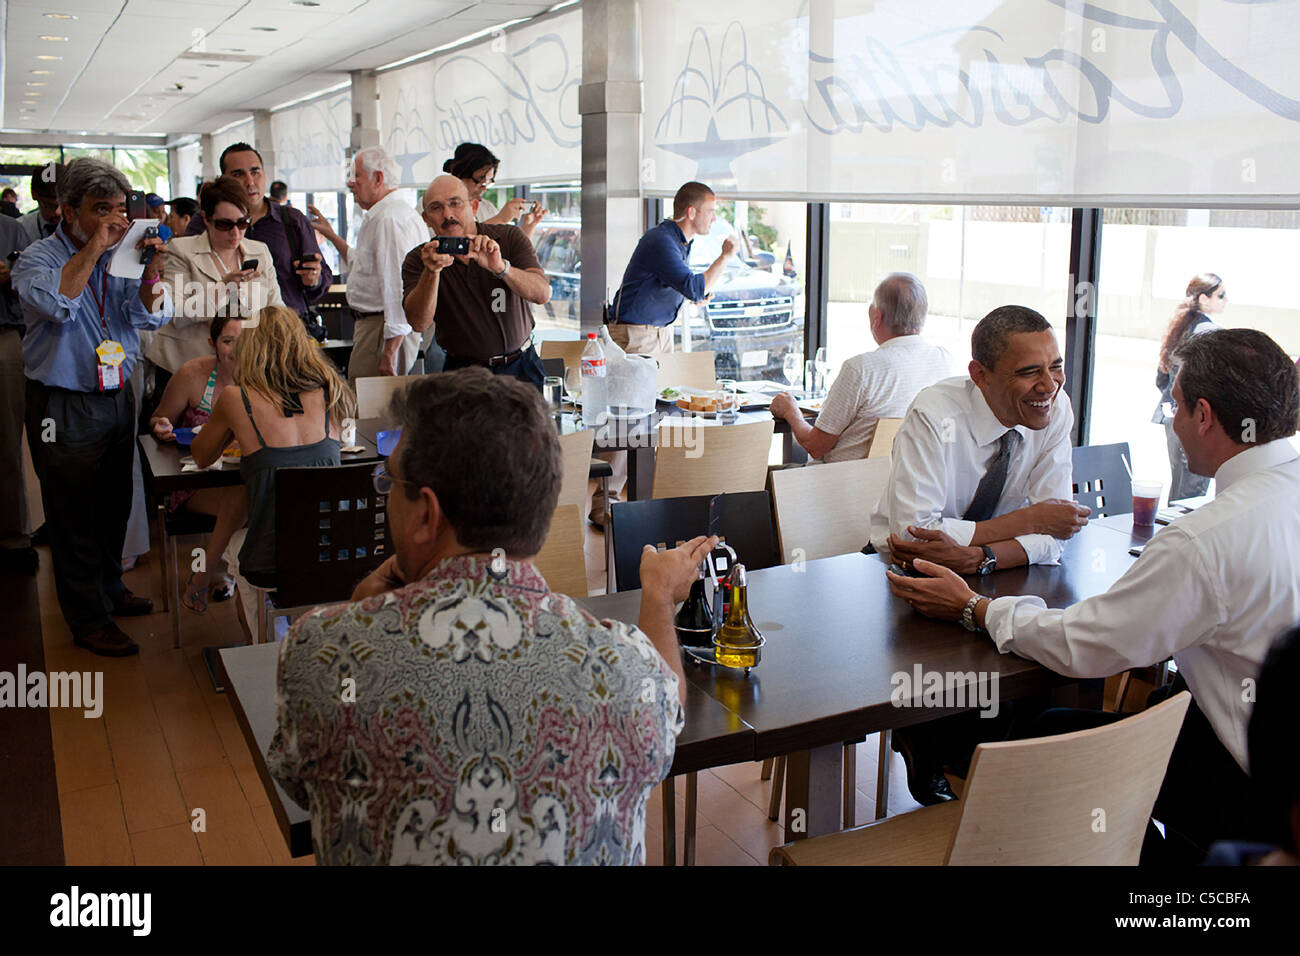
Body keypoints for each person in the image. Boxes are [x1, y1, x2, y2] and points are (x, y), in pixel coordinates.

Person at [887, 328, 1300, 864]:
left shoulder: (1206, 541)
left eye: (1173, 406)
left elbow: (1085, 646)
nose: (1169, 423)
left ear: (1202, 414)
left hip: (1252, 789)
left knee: (1037, 748)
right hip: (1262, 757)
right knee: (1059, 722)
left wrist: (974, 606)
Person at [267, 368, 709, 865]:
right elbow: (668, 713)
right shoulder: (627, 669)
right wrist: (658, 595)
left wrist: (359, 612)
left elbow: (301, 785)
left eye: (388, 481)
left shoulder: (321, 650)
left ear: (426, 514)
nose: (384, 492)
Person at [868, 305, 1091, 805]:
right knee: (954, 685)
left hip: (996, 572)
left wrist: (981, 557)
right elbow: (914, 535)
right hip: (903, 574)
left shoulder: (1056, 409)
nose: (1048, 384)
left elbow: (1057, 535)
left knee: (1033, 672)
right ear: (980, 375)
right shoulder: (935, 413)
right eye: (1029, 371)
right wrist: (1027, 522)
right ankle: (937, 755)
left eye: (1055, 366)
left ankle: (1001, 797)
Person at [12, 157, 173, 657]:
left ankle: (109, 589)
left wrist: (151, 272)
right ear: (67, 211)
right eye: (100, 210)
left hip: (115, 393)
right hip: (62, 401)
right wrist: (99, 246)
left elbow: (143, 318)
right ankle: (86, 619)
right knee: (72, 514)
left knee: (113, 505)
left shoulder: (121, 257)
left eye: (120, 210)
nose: (113, 220)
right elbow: (59, 302)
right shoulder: (36, 258)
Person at [191, 305, 355, 637]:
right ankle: (305, 639)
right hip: (336, 552)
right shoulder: (332, 390)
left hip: (270, 558)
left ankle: (263, 648)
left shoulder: (237, 399)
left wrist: (235, 433)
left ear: (249, 347)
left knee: (237, 546)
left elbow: (202, 456)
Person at [769, 273, 953, 463]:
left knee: (768, 482)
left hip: (840, 487)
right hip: (903, 481)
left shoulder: (861, 369)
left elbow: (816, 446)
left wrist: (790, 410)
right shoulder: (945, 361)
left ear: (877, 317)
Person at [401, 174, 551, 387]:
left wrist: (500, 267)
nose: (448, 214)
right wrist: (432, 272)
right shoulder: (420, 259)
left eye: (455, 203)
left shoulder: (508, 238)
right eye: (436, 208)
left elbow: (542, 294)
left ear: (473, 207)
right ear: (426, 219)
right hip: (462, 374)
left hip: (522, 366)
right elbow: (418, 322)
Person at [148, 314, 249, 612]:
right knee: (245, 497)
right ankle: (207, 574)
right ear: (213, 344)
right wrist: (162, 426)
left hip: (248, 476)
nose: (236, 349)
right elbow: (158, 417)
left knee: (259, 495)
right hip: (198, 479)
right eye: (228, 341)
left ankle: (237, 573)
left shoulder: (263, 374)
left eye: (243, 341)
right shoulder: (193, 374)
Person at [308, 147, 427, 381]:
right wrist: (332, 236)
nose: (351, 183)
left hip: (383, 330)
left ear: (378, 178)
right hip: (379, 329)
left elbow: (397, 287)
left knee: (371, 411)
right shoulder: (386, 214)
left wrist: (390, 352)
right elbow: (362, 265)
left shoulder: (389, 219)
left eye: (357, 175)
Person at [148, 175, 283, 382]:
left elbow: (276, 309)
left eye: (242, 222)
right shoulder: (181, 250)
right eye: (224, 225)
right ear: (205, 219)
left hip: (245, 368)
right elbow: (174, 313)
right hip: (187, 369)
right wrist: (223, 288)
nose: (235, 233)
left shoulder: (259, 251)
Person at [184, 143, 331, 322]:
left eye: (255, 172)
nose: (250, 182)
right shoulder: (204, 222)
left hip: (284, 328)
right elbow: (183, 291)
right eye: (238, 174)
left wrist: (313, 279)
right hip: (219, 331)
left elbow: (321, 280)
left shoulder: (292, 221)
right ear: (224, 180)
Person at [606, 180, 735, 356]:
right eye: (711, 212)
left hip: (659, 332)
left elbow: (677, 283)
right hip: (637, 336)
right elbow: (693, 288)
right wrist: (725, 256)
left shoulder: (679, 240)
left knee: (665, 384)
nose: (714, 219)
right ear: (691, 212)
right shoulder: (661, 240)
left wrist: (697, 293)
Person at [1153, 272, 1225, 501]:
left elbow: (1161, 378)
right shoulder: (1210, 333)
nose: (1226, 300)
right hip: (1196, 420)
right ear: (1204, 299)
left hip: (1172, 416)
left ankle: (1171, 535)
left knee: (1178, 488)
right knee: (1192, 492)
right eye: (1221, 295)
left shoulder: (1180, 328)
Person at [0, 213, 34, 573]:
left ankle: (13, 535)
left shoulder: (12, 229)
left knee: (7, 442)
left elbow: (33, 291)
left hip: (4, 333)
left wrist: (12, 278)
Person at [442, 142, 546, 238]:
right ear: (460, 175)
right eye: (480, 180)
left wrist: (528, 228)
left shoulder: (487, 207)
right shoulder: (441, 208)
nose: (484, 187)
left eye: (488, 182)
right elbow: (458, 246)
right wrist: (500, 219)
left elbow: (508, 253)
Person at [18, 163, 64, 244]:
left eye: (64, 205)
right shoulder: (20, 229)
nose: (58, 212)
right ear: (34, 194)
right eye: (51, 206)